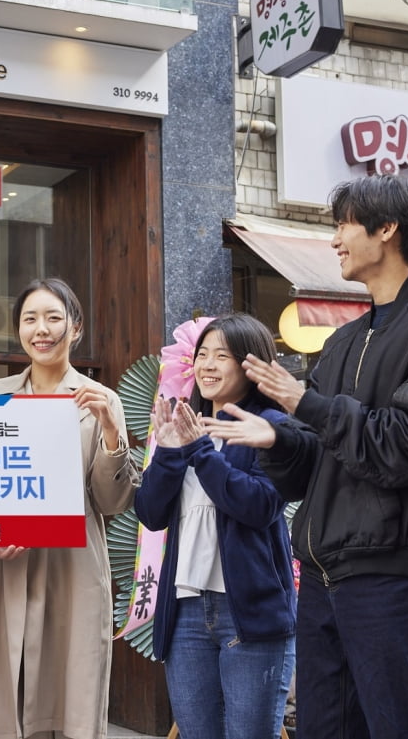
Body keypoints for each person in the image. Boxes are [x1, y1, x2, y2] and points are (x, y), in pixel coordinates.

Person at [203, 175, 408, 739]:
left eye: (342, 224)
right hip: (321, 574)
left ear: (386, 230)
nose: (334, 239)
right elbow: (317, 464)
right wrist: (281, 439)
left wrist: (307, 404)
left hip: (394, 574)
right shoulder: (340, 341)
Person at [0, 277, 137, 739]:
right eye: (30, 318)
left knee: (66, 707)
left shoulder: (101, 400)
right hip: (3, 571)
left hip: (70, 570)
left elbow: (111, 500)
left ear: (75, 328)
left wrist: (114, 434)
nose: (42, 329)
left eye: (54, 317)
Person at [134, 313, 296, 739]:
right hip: (186, 612)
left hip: (249, 615)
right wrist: (169, 452)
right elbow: (150, 513)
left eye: (221, 355)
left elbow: (259, 506)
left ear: (250, 364)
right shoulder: (183, 425)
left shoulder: (271, 427)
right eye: (201, 354)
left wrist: (202, 451)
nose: (206, 364)